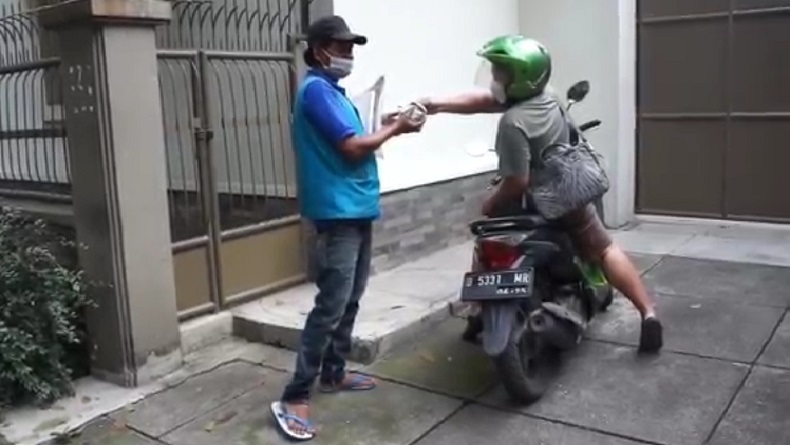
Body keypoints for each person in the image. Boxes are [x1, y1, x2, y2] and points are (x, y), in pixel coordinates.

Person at [419, 35, 664, 355]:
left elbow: (517, 182)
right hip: (568, 196)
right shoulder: (551, 99)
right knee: (604, 250)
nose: (494, 78)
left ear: (519, 79)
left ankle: (479, 310)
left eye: (500, 72)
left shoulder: (512, 123)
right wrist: (436, 104)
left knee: (488, 232)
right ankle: (648, 313)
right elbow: (484, 100)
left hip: (534, 200)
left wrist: (490, 203)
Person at [270, 15, 424, 441]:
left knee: (351, 297)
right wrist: (395, 130)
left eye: (352, 47)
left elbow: (357, 139)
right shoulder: (316, 91)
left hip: (356, 209)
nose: (349, 55)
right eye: (342, 48)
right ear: (320, 50)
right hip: (337, 213)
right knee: (331, 304)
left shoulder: (335, 93)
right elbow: (352, 148)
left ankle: (334, 373)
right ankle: (294, 394)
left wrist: (388, 123)